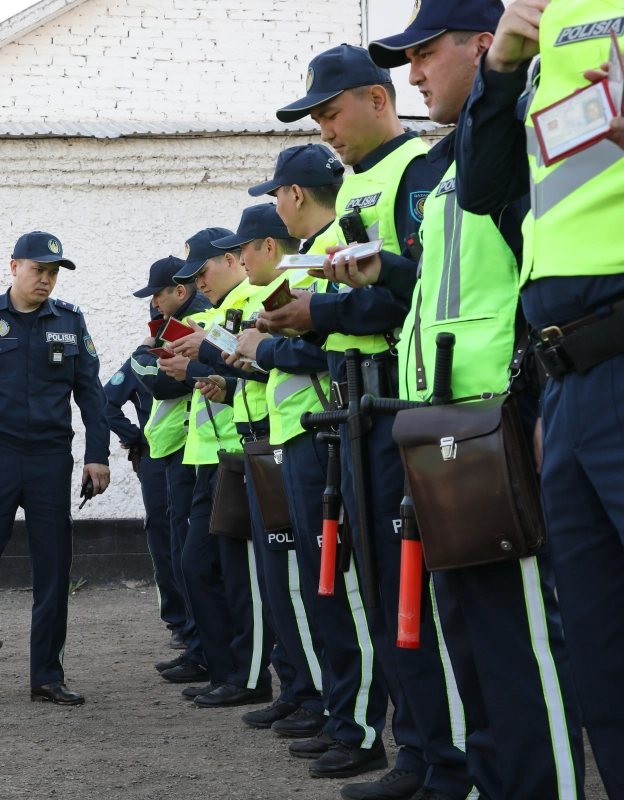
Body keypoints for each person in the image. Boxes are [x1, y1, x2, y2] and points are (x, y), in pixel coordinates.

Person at [363, 2, 588, 797]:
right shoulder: (459, 157)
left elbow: (547, 285)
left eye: (425, 54)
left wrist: (537, 402)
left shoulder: (523, 133)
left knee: (520, 649)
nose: (413, 74)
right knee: (472, 647)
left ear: (483, 46)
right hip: (444, 428)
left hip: (498, 419)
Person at [266, 45, 467, 800]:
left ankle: (449, 762)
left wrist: (320, 310)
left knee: (411, 585)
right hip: (356, 407)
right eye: (316, 117)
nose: (325, 129)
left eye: (330, 110)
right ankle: (416, 752)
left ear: (378, 100)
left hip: (397, 402)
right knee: (381, 589)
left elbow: (416, 291)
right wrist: (313, 314)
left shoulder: (419, 172)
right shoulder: (365, 184)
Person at [456, 2, 624, 793]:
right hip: (570, 377)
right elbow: (487, 188)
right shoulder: (541, 26)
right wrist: (501, 67)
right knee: (601, 659)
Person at [222, 143, 390, 777]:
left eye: (274, 195)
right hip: (302, 434)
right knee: (320, 588)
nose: (274, 206)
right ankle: (338, 714)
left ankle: (356, 723)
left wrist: (264, 350)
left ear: (292, 196)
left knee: (338, 585)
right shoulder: (309, 258)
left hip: (326, 430)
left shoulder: (325, 257)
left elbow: (336, 350)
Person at [0, 232, 109, 705]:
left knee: (54, 569)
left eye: (53, 272)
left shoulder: (69, 322)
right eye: (39, 270)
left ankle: (47, 676)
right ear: (14, 267)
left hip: (51, 459)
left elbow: (91, 394)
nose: (46, 280)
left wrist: (98, 454)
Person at [210, 206, 330, 736]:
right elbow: (276, 365)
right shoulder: (267, 293)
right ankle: (298, 688)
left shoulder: (299, 284)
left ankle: (318, 698)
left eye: (243, 249)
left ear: (268, 247)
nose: (237, 259)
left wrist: (263, 353)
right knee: (277, 578)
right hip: (271, 441)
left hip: (300, 440)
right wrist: (252, 361)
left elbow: (321, 356)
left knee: (301, 580)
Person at [158, 231, 268, 707]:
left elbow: (252, 362)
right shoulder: (220, 305)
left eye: (203, 271)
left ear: (232, 260)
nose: (199, 282)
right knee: (199, 566)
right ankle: (228, 672)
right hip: (210, 455)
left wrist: (203, 357)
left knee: (238, 576)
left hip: (243, 454)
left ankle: (248, 678)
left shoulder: (250, 297)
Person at [128, 256, 214, 664]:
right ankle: (196, 641)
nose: (154, 305)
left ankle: (200, 644)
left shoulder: (191, 323)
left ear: (181, 291)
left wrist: (139, 357)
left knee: (192, 555)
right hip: (183, 447)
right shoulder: (179, 322)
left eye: (158, 295)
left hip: (192, 451)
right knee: (182, 551)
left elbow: (162, 384)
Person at [103, 306, 184, 646]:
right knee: (165, 535)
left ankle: (191, 622)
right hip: (157, 457)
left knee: (182, 536)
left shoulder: (188, 356)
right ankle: (180, 622)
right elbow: (107, 402)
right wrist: (136, 436)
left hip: (189, 453)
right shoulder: (146, 359)